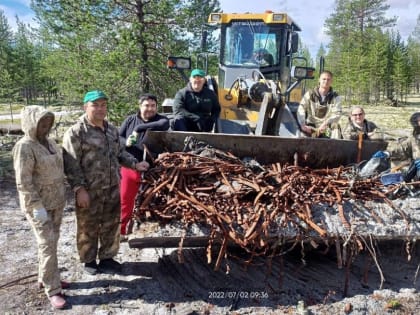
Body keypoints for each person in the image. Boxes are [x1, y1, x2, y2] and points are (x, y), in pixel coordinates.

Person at [62, 90, 148, 275]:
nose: (100, 109)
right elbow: (71, 164)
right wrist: (79, 189)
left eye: (103, 105)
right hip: (89, 190)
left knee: (111, 224)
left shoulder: (111, 130)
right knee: (88, 226)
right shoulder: (76, 132)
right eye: (95, 105)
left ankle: (108, 258)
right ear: (86, 107)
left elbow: (119, 154)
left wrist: (135, 164)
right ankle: (89, 260)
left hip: (111, 187)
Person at [12, 106, 68, 309]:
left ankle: (46, 277)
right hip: (39, 205)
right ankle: (52, 290)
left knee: (52, 244)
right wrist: (36, 206)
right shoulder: (25, 146)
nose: (45, 126)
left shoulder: (50, 142)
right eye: (40, 122)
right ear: (30, 123)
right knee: (47, 244)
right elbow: (23, 181)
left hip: (56, 202)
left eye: (48, 121)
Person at [119, 93, 169, 235]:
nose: (150, 109)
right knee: (125, 199)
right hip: (130, 165)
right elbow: (119, 137)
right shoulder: (130, 120)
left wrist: (138, 129)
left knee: (154, 200)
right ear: (140, 106)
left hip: (153, 168)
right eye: (146, 105)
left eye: (153, 106)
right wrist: (125, 142)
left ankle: (152, 230)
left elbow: (164, 124)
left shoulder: (161, 120)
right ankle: (122, 231)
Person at [297, 70, 342, 138]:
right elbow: (301, 108)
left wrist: (326, 123)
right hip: (311, 125)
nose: (326, 81)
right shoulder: (310, 94)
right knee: (300, 133)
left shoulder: (335, 97)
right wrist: (302, 124)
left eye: (328, 79)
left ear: (331, 81)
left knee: (336, 126)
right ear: (319, 80)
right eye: (324, 79)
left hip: (326, 126)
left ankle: (334, 146)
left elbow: (337, 114)